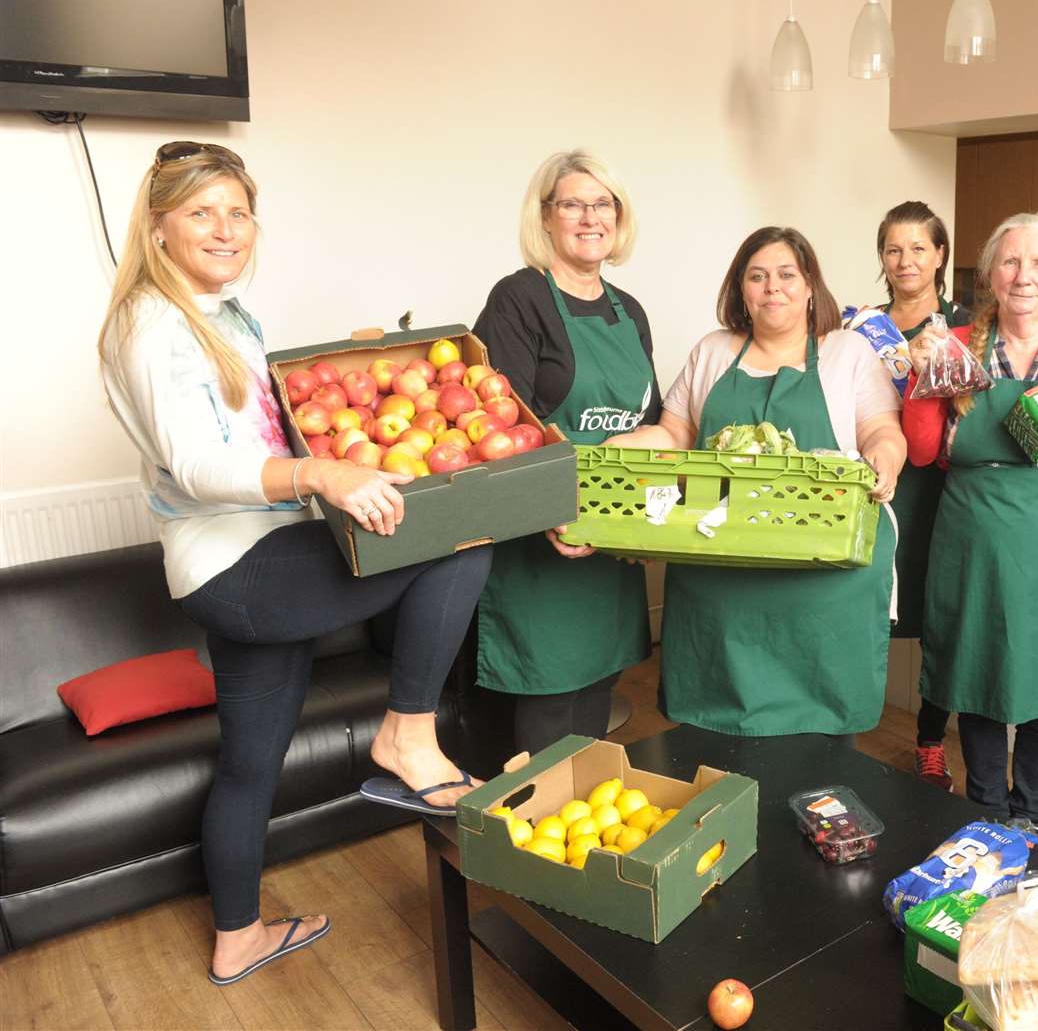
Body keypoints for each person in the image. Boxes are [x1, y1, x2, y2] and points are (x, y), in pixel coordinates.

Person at [96, 142, 492, 985]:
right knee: (463, 531)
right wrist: (321, 472)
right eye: (201, 211)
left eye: (238, 211)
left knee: (249, 758)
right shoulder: (152, 323)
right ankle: (408, 734)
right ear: (159, 225)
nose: (225, 228)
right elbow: (199, 467)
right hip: (242, 563)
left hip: (245, 563)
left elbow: (263, 422)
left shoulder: (224, 314)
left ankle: (236, 936)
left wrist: (354, 372)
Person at [611, 227, 905, 736]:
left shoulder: (847, 352)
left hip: (824, 580)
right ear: (741, 290)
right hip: (722, 583)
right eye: (758, 276)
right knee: (711, 745)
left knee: (821, 744)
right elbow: (675, 432)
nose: (773, 287)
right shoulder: (713, 352)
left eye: (787, 275)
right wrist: (623, 447)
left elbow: (881, 427)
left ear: (811, 285)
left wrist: (885, 454)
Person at [902, 212, 1038, 827]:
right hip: (974, 530)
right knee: (978, 677)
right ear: (991, 274)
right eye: (1010, 261)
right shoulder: (955, 345)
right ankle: (987, 812)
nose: (1024, 276)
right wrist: (921, 375)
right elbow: (920, 450)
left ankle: (1029, 820)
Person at [473, 151, 658, 754]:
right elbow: (504, 431)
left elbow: (650, 429)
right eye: (572, 204)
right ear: (546, 217)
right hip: (542, 545)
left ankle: (577, 845)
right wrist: (560, 512)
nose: (589, 217)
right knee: (544, 724)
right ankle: (524, 847)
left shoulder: (630, 311)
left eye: (602, 203)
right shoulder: (518, 299)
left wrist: (632, 525)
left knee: (596, 713)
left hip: (608, 544)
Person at [874, 201, 970, 790]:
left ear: (940, 255)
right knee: (866, 607)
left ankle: (930, 743)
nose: (905, 260)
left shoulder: (964, 328)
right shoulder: (860, 325)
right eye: (893, 249)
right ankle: (848, 721)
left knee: (941, 619)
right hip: (880, 488)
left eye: (918, 248)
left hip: (942, 491)